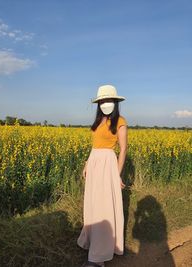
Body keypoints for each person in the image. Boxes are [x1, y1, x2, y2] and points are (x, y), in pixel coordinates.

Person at [77, 84, 128, 267]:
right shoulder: (98, 121)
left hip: (108, 165)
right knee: (93, 204)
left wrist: (117, 174)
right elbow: (94, 146)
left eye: (109, 100)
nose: (106, 103)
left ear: (115, 101)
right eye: (102, 101)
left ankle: (98, 258)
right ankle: (93, 242)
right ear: (99, 103)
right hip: (94, 162)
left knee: (104, 207)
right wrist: (86, 164)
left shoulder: (120, 121)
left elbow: (123, 150)